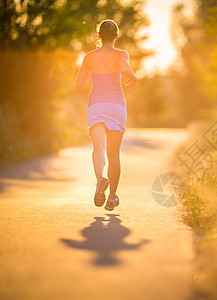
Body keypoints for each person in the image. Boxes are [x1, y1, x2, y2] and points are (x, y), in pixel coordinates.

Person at [76, 19, 137, 211]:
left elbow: (79, 84)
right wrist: (134, 78)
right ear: (116, 36)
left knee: (98, 149)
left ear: (99, 35)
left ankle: (101, 179)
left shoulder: (89, 57)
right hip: (116, 105)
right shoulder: (121, 54)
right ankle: (111, 199)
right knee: (114, 155)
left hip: (96, 105)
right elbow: (126, 70)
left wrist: (93, 72)